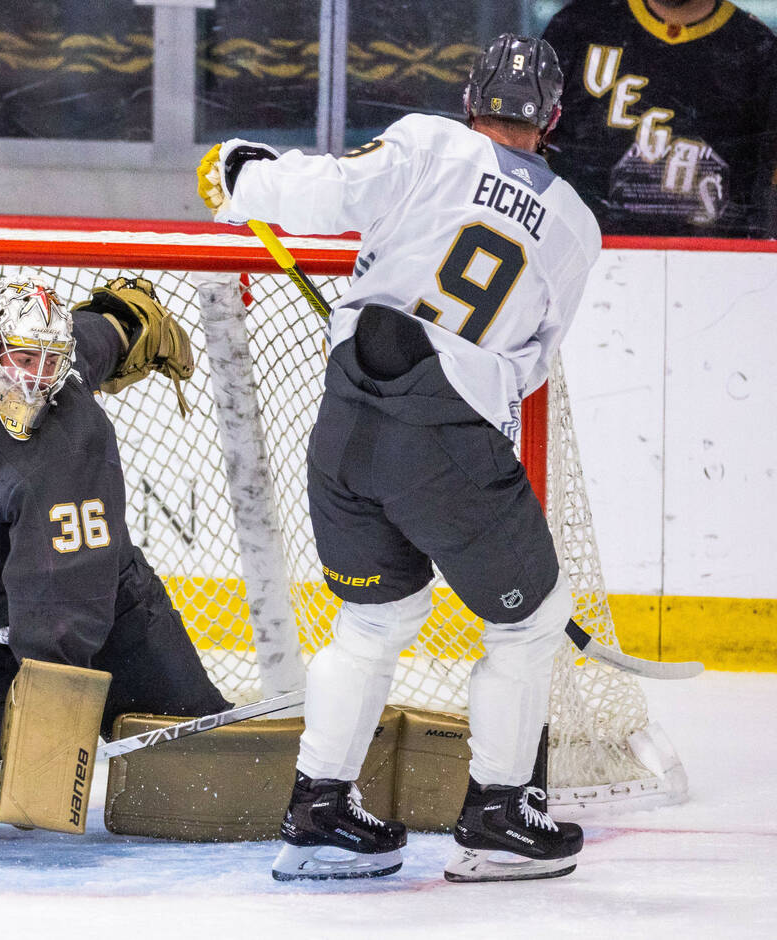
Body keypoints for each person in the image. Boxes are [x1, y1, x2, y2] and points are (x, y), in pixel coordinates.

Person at [197, 34, 600, 882]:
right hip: (447, 434)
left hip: (346, 422)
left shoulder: (425, 141)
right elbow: (531, 359)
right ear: (555, 119)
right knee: (527, 623)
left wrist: (241, 177)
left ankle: (318, 811)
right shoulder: (575, 224)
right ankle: (498, 814)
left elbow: (330, 190)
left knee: (374, 622)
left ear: (469, 98)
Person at [0, 272, 230, 773]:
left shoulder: (69, 442)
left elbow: (62, 605)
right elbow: (87, 340)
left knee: (197, 772)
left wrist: (51, 723)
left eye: (53, 362)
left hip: (101, 615)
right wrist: (120, 326)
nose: (38, 378)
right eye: (26, 359)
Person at [542, 0, 777, 238]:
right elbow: (523, 151)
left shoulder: (758, 50)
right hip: (581, 257)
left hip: (716, 264)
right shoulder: (576, 27)